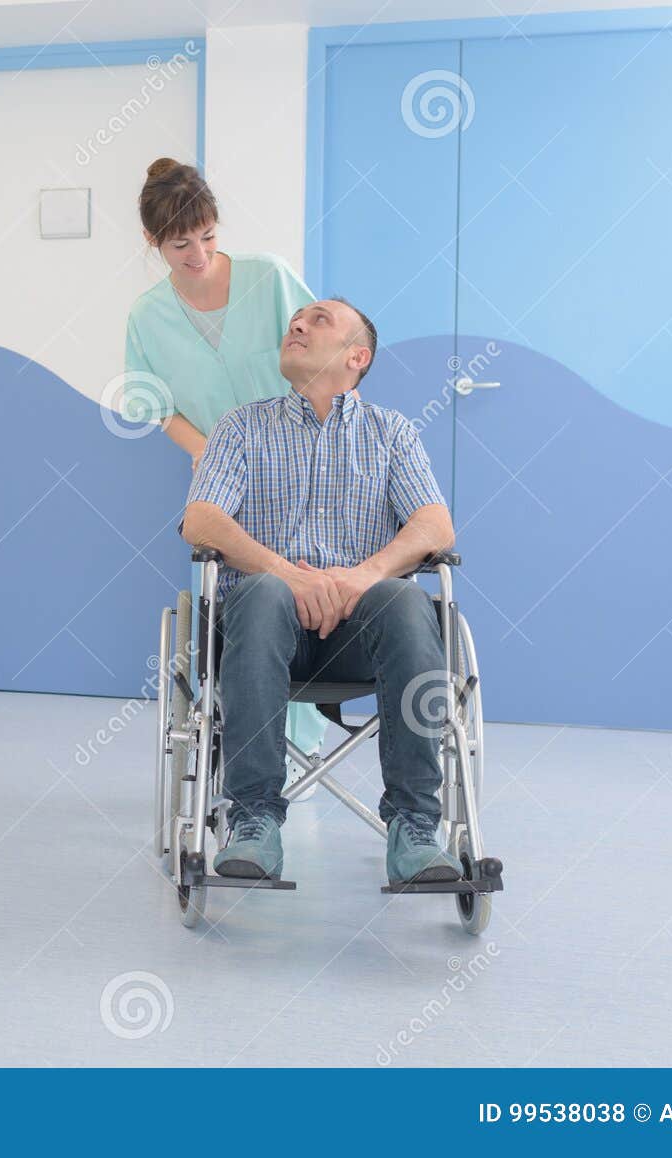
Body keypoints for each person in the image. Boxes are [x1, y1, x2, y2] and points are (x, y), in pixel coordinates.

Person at [180, 297, 464, 885]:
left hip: (364, 631)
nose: (298, 324)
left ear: (356, 356)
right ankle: (254, 820)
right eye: (295, 319)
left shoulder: (391, 432)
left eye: (320, 320)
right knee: (260, 593)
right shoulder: (241, 427)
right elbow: (201, 521)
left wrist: (359, 577)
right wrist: (294, 577)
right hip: (265, 628)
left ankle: (414, 827)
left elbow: (435, 527)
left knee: (409, 598)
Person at [124, 157, 327, 787]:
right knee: (239, 605)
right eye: (181, 244)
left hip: (299, 465)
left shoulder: (269, 278)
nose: (199, 254)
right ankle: (246, 747)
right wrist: (211, 452)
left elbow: (316, 355)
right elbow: (153, 403)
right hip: (220, 478)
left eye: (208, 236)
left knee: (303, 590)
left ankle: (303, 750)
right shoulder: (147, 315)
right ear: (153, 242)